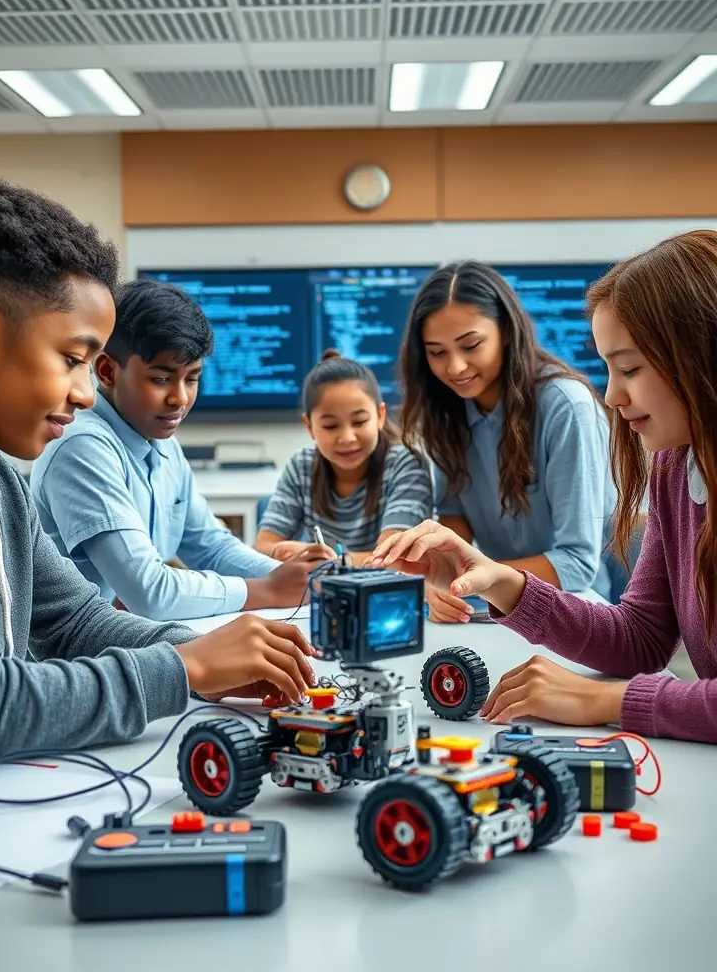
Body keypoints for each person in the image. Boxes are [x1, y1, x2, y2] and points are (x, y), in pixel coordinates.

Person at [0, 139, 316, 766]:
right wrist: (184, 666)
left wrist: (221, 658)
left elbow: (74, 622)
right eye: (72, 360)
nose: (88, 394)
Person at [371, 230, 717, 745]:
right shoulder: (674, 466)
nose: (613, 395)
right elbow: (641, 638)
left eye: (630, 369)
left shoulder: (566, 407)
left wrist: (602, 700)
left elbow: (578, 564)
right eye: (608, 369)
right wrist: (494, 581)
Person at [31, 278, 328, 621]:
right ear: (108, 371)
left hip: (128, 638)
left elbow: (211, 547)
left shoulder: (162, 443)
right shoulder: (81, 446)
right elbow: (149, 592)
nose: (180, 398)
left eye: (191, 379)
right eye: (161, 379)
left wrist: (302, 577)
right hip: (75, 660)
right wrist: (270, 589)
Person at [399, 261, 616, 624]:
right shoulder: (447, 411)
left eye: (471, 345)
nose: (454, 367)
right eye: (437, 352)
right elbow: (455, 513)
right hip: (498, 604)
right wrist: (443, 575)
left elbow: (577, 563)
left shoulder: (566, 406)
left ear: (506, 332)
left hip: (577, 611)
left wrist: (474, 579)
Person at [255, 349, 433, 565]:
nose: (347, 438)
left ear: (380, 416)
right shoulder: (301, 466)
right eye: (330, 426)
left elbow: (394, 556)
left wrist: (334, 561)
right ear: (309, 427)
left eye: (359, 422)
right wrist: (282, 551)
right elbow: (263, 547)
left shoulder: (407, 464)